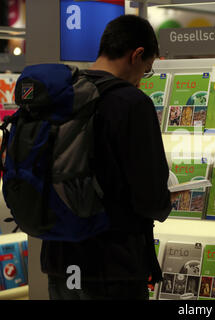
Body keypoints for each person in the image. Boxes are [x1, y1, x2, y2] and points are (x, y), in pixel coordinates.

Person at [40, 14, 179, 300]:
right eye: (147, 69)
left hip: (61, 259)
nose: (143, 78)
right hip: (112, 264)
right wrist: (168, 199)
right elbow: (150, 195)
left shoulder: (59, 94)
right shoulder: (132, 103)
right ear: (137, 55)